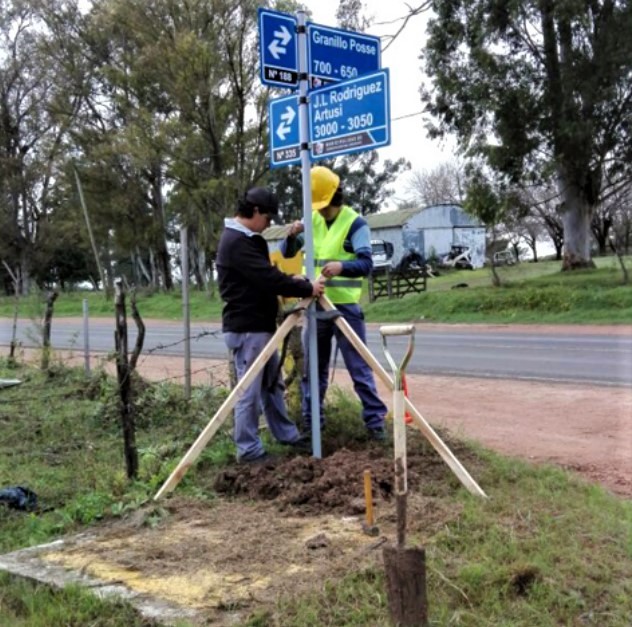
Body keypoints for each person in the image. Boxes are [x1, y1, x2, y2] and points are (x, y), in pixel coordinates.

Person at [216, 186, 325, 463]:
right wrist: (306, 288)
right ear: (254, 211)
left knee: (271, 384)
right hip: (247, 327)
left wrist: (297, 283)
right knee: (249, 390)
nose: (269, 224)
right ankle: (249, 451)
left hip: (259, 326)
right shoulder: (236, 242)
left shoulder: (249, 239)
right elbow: (266, 278)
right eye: (267, 217)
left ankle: (286, 434)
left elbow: (269, 275)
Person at [281, 166, 388, 440]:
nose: (317, 210)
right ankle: (312, 424)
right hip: (316, 308)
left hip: (345, 310)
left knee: (359, 368)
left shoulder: (355, 224)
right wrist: (291, 236)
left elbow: (366, 264)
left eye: (319, 204)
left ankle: (375, 425)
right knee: (313, 371)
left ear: (330, 198)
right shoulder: (312, 220)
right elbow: (288, 252)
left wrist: (342, 266)